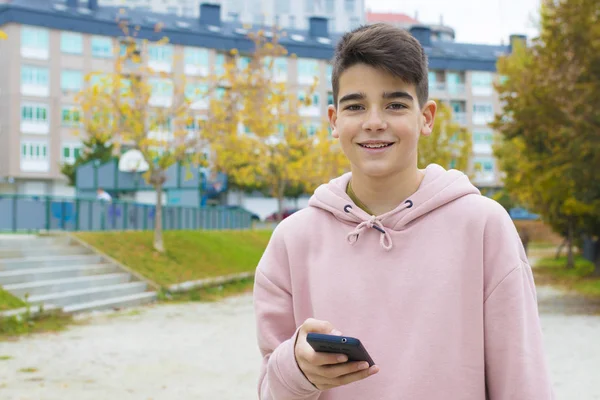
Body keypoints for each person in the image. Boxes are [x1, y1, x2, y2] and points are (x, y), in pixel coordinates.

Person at [253, 23, 555, 399]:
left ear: (426, 117)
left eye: (395, 104)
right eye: (355, 105)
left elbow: (522, 378)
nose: (374, 121)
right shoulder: (291, 240)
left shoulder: (482, 226)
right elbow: (270, 390)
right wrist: (296, 370)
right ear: (334, 120)